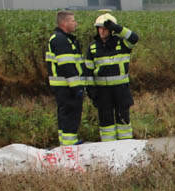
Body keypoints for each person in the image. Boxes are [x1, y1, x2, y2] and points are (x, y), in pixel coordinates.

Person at [85, 13, 140, 141]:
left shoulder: (122, 44)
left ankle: (126, 144)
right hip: (102, 91)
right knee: (106, 122)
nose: (102, 31)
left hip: (121, 90)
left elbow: (134, 38)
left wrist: (117, 28)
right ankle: (108, 145)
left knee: (123, 119)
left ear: (111, 30)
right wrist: (91, 90)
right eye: (99, 28)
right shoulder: (92, 48)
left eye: (105, 28)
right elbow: (88, 71)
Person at [45, 10, 88, 146]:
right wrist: (77, 88)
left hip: (64, 86)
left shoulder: (64, 39)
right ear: (64, 23)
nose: (76, 23)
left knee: (65, 115)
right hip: (67, 86)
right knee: (70, 115)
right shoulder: (61, 40)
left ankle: (65, 144)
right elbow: (67, 66)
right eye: (73, 21)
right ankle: (70, 145)